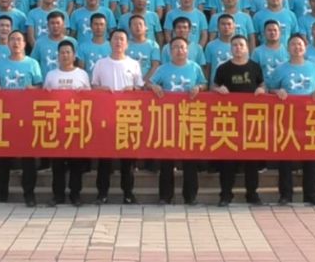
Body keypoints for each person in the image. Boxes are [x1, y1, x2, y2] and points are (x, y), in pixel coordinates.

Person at [149, 37, 207, 205]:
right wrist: (154, 87)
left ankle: (190, 196)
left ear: (187, 50)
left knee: (190, 159)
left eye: (182, 47)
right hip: (168, 120)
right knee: (167, 159)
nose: (179, 50)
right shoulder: (162, 69)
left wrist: (199, 88)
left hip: (189, 118)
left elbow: (204, 84)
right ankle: (165, 196)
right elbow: (149, 84)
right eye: (175, 47)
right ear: (170, 51)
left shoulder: (194, 67)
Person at [269, 34, 315, 206]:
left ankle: (310, 194)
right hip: (287, 118)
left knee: (310, 157)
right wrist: (277, 92)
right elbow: (270, 88)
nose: (297, 47)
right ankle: (285, 194)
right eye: (293, 44)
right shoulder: (281, 69)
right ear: (288, 48)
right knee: (286, 157)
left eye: (300, 44)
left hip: (309, 118)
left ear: (305, 47)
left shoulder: (314, 68)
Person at [91, 30, 144, 204]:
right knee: (104, 158)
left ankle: (128, 193)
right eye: (115, 39)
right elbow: (93, 87)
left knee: (127, 159)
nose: (118, 42)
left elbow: (140, 88)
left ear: (127, 44)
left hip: (128, 116)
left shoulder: (133, 64)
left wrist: (133, 89)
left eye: (122, 39)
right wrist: (102, 89)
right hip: (105, 117)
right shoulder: (101, 64)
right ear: (110, 42)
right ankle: (102, 193)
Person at [0, 31, 43, 206]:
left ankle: (29, 194)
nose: (15, 43)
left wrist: (33, 89)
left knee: (28, 158)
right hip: (5, 116)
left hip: (27, 116)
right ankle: (1, 192)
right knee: (3, 157)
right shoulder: (0, 64)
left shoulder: (32, 63)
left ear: (25, 44)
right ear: (8, 43)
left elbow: (40, 87)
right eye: (12, 39)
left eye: (19, 40)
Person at [213, 35, 266, 206]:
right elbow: (214, 86)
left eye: (241, 45)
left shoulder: (255, 67)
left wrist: (261, 90)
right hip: (229, 119)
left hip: (251, 120)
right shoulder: (223, 68)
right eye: (234, 45)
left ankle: (252, 193)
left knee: (252, 159)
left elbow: (262, 85)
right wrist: (218, 89)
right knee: (228, 159)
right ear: (231, 48)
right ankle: (225, 194)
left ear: (247, 47)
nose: (238, 48)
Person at [44, 40, 91, 206]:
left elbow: (91, 98)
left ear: (74, 55)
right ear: (57, 56)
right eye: (62, 52)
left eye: (68, 52)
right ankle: (58, 194)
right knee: (57, 163)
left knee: (76, 162)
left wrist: (84, 93)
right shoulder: (51, 75)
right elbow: (43, 98)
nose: (65, 55)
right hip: (56, 124)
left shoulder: (82, 74)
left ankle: (75, 194)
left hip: (76, 124)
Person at [252, 20, 290, 87]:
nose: (272, 32)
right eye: (269, 30)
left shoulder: (288, 50)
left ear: (280, 33)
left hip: (284, 90)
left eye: (275, 30)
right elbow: (253, 73)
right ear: (264, 33)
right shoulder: (257, 52)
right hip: (264, 90)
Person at [125, 15, 161, 81]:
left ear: (146, 27)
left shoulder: (153, 45)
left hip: (147, 83)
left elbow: (155, 66)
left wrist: (143, 81)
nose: (138, 26)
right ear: (129, 28)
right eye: (134, 24)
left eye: (140, 24)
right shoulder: (125, 45)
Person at [204, 15, 236, 83]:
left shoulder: (240, 45)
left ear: (234, 26)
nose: (226, 27)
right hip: (216, 86)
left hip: (235, 86)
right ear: (218, 27)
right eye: (223, 24)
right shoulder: (210, 46)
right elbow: (207, 70)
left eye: (229, 24)